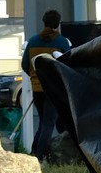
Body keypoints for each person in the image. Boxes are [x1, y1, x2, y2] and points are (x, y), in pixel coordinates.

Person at [21, 9, 73, 157]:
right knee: (49, 124)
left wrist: (34, 77)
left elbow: (25, 64)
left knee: (43, 122)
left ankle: (33, 153)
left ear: (43, 22)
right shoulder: (61, 42)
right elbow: (68, 64)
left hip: (37, 89)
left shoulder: (33, 41)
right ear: (57, 24)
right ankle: (40, 157)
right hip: (53, 89)